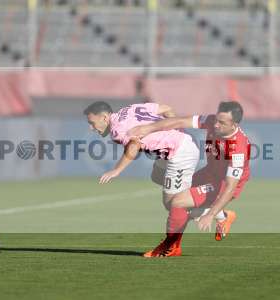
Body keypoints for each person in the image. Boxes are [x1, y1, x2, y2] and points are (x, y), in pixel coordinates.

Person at [127, 101, 251, 248]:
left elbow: (231, 186)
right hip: (209, 173)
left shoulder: (238, 149)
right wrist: (148, 128)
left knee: (178, 203)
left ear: (234, 124)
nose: (216, 124)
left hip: (223, 184)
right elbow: (180, 121)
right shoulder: (212, 121)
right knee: (170, 200)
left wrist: (210, 215)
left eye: (222, 122)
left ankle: (171, 246)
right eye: (217, 120)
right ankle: (223, 216)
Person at [84, 101, 200, 257]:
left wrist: (116, 170)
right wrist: (180, 131)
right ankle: (178, 240)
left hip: (180, 152)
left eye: (92, 123)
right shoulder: (130, 109)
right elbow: (167, 108)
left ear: (105, 117)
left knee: (172, 204)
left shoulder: (117, 130)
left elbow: (134, 145)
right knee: (157, 177)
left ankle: (174, 244)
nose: (91, 128)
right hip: (172, 148)